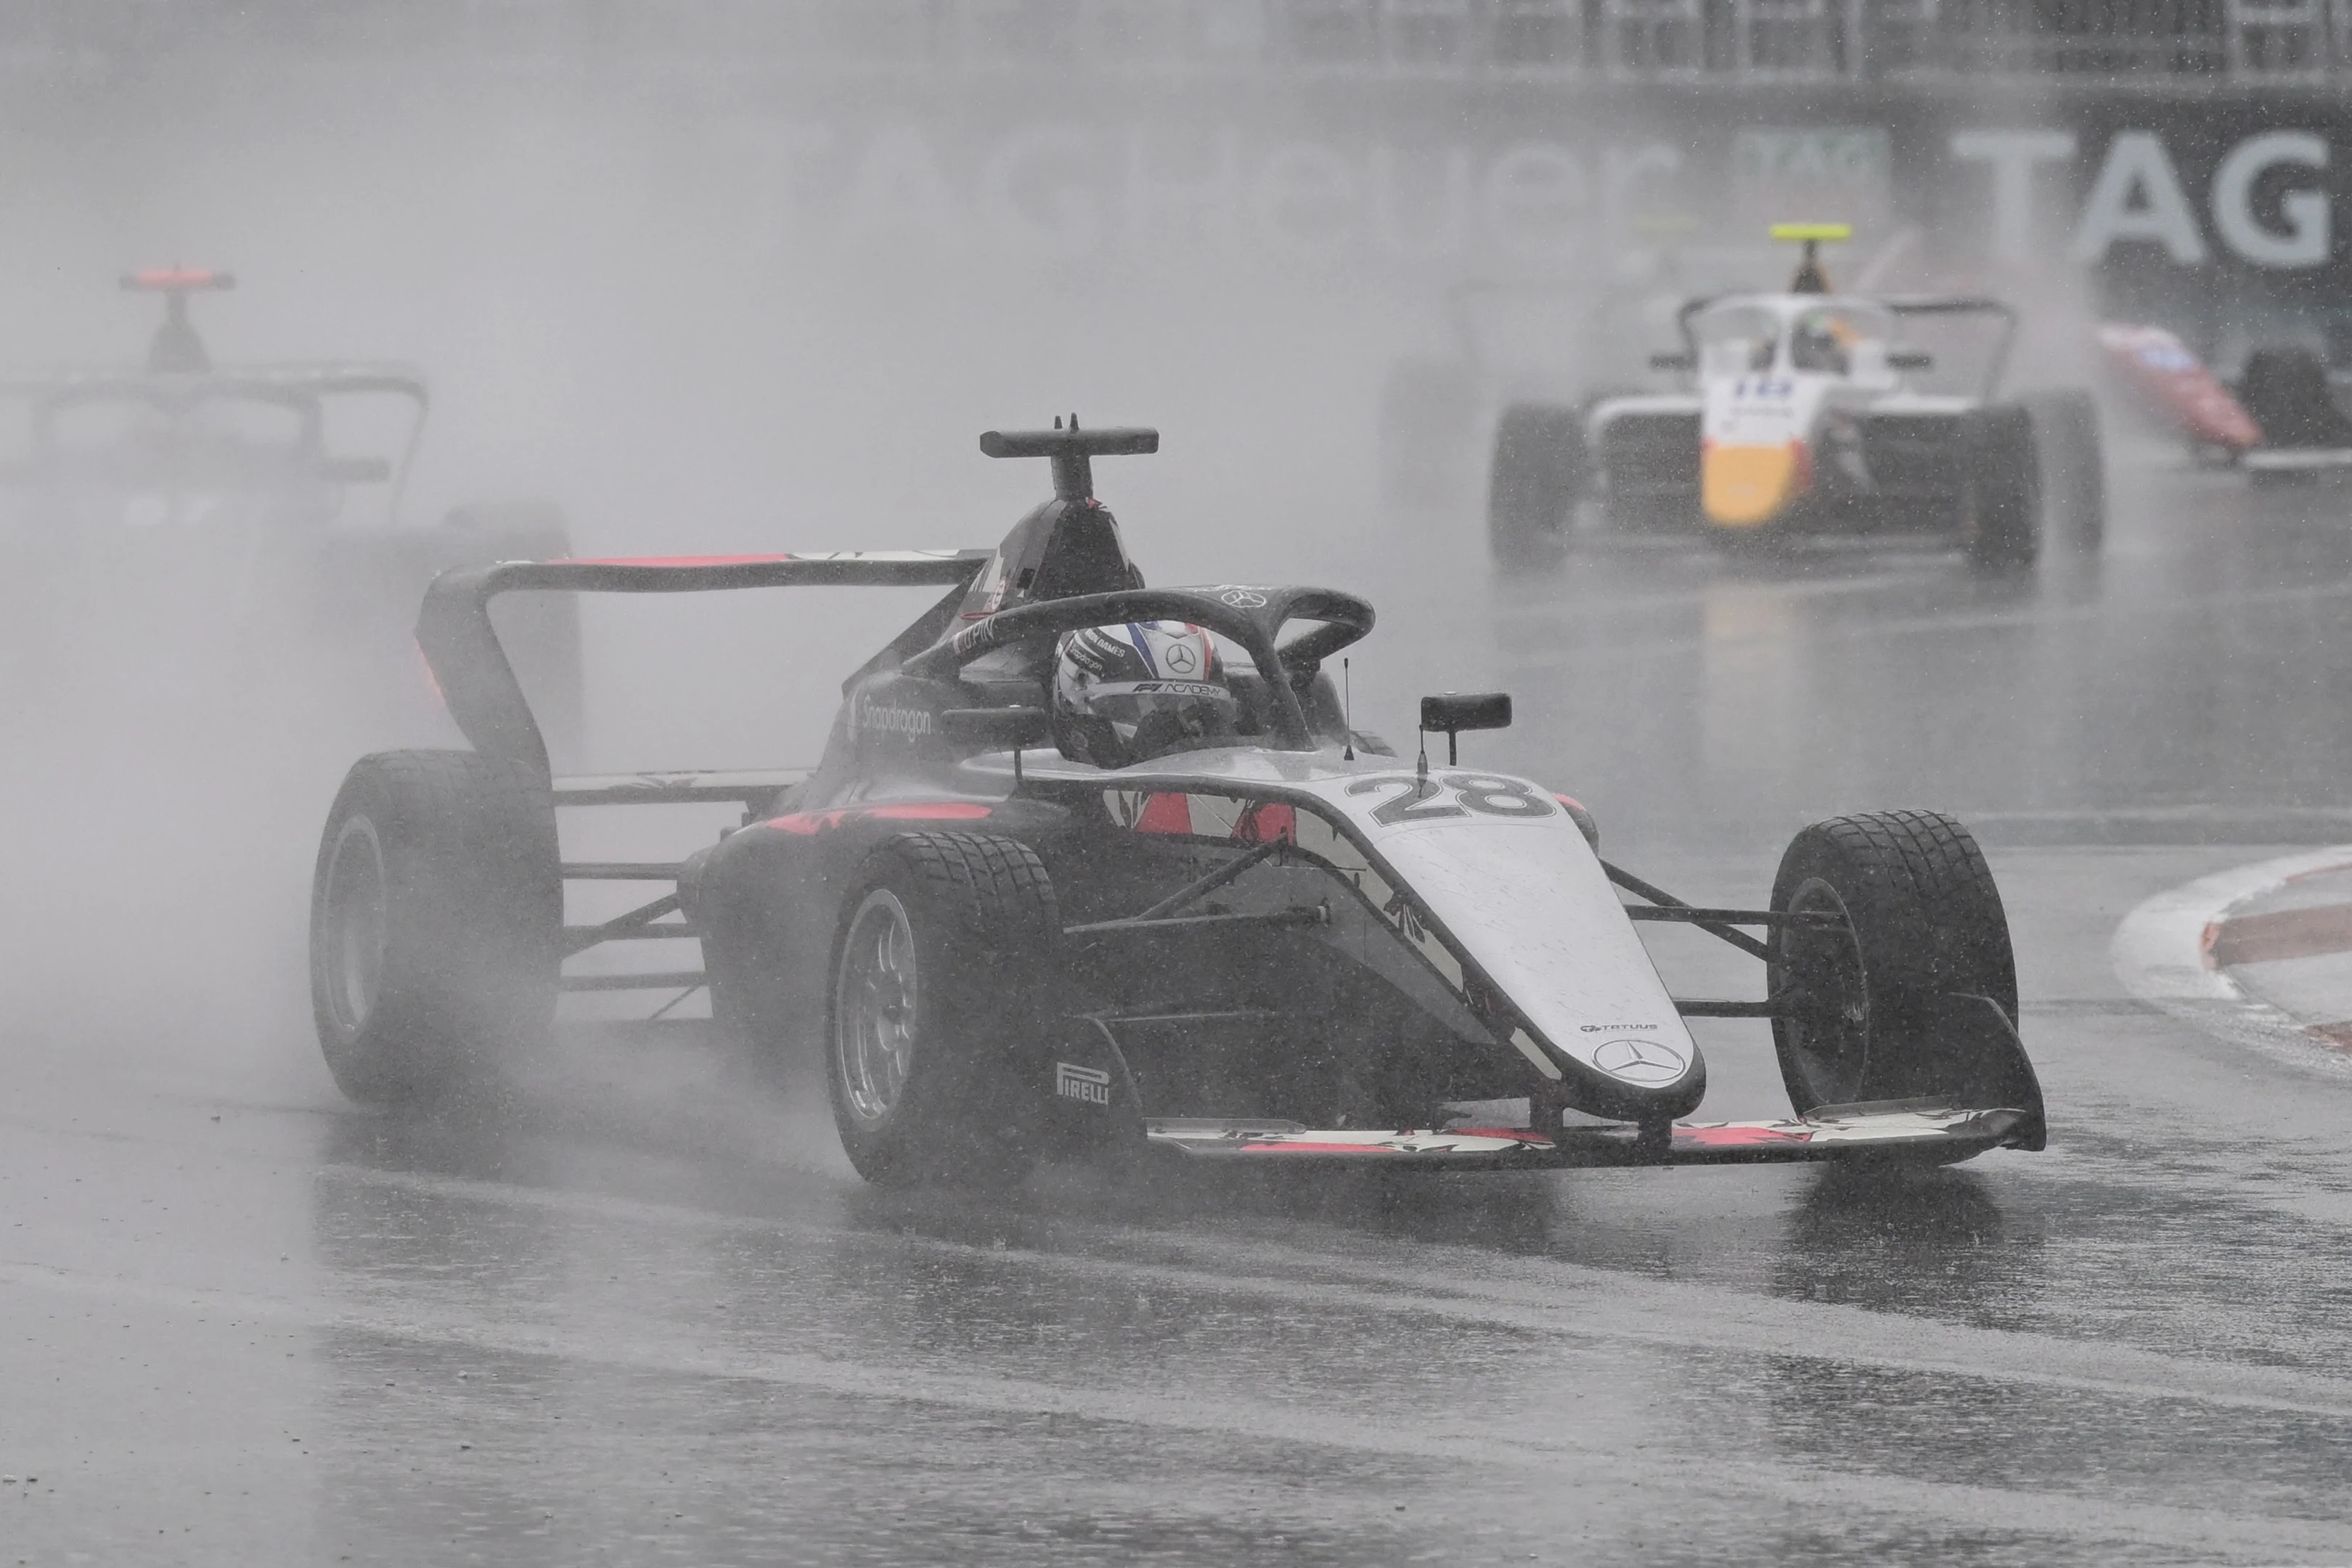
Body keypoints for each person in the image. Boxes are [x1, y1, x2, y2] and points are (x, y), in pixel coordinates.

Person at [1052, 621, 1242, 767]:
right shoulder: (1039, 808)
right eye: (1132, 710)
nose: (1176, 742)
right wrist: (1140, 756)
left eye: (1193, 711)